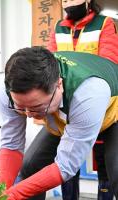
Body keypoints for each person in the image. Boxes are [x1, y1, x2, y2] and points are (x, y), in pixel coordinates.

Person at [0, 46, 118, 200]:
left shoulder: (88, 92)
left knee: (116, 171)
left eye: (36, 107)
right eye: (21, 107)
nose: (27, 114)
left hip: (113, 112)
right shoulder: (9, 90)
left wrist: (14, 194)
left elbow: (65, 166)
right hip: (70, 114)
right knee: (31, 166)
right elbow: (11, 145)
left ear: (58, 85)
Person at [48, 0, 117, 199]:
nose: (68, 2)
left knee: (106, 164)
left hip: (101, 100)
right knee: (67, 158)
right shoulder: (58, 27)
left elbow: (109, 63)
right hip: (67, 103)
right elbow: (49, 62)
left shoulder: (104, 24)